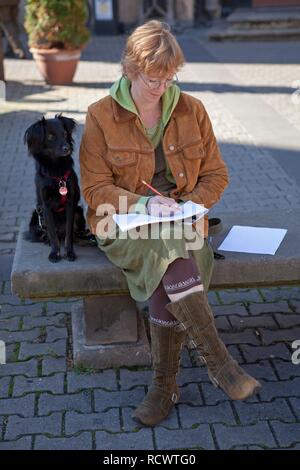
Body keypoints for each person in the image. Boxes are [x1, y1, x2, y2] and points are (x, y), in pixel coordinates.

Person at [79, 20, 261, 427]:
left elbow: (217, 174)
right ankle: (219, 363)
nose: (161, 87)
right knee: (171, 247)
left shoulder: (191, 109)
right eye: (152, 78)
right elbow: (94, 190)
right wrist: (145, 204)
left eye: (168, 78)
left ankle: (164, 387)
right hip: (122, 225)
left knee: (174, 246)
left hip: (182, 223)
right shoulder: (100, 115)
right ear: (129, 68)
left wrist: (192, 205)